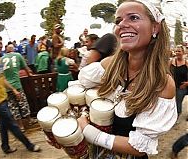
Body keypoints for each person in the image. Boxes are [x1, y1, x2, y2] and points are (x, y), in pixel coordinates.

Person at [75, 0, 177, 158]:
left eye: (133, 18)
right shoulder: (110, 65)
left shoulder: (162, 83)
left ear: (155, 27)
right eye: (118, 20)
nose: (122, 24)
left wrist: (89, 132)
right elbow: (81, 84)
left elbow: (139, 146)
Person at [0, 36, 40, 154]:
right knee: (12, 124)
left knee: (4, 125)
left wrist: (14, 90)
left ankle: (5, 147)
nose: (0, 46)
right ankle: (29, 145)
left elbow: (3, 80)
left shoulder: (0, 60)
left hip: (4, 97)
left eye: (1, 43)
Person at [1, 44, 37, 132]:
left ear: (6, 50)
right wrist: (30, 75)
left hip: (6, 87)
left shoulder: (1, 59)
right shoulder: (17, 55)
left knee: (13, 107)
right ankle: (29, 120)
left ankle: (20, 126)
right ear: (13, 49)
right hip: (17, 85)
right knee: (23, 103)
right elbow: (26, 68)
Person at [169, 45, 188, 117]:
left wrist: (187, 83)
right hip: (172, 86)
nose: (177, 53)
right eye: (176, 51)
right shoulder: (171, 61)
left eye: (179, 51)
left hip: (182, 87)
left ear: (183, 52)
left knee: (178, 102)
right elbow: (166, 72)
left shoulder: (186, 63)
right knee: (171, 102)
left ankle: (177, 115)